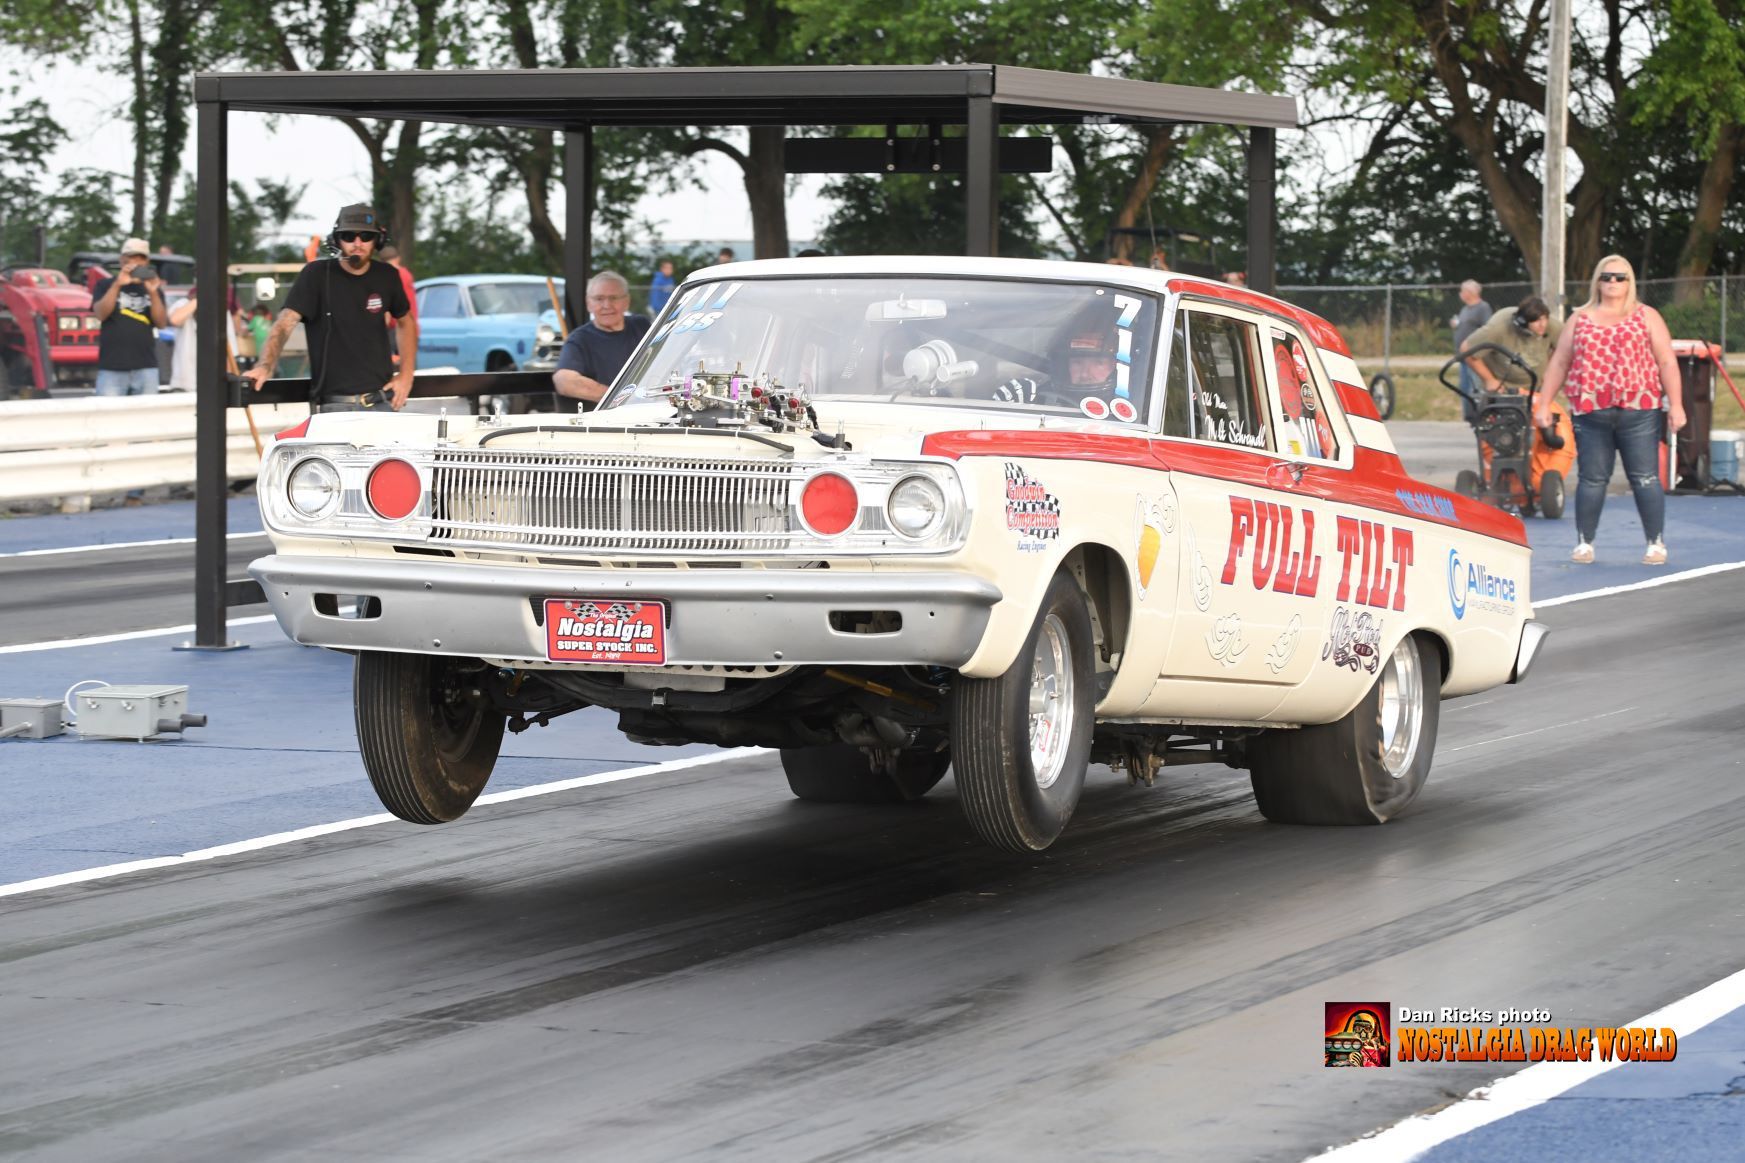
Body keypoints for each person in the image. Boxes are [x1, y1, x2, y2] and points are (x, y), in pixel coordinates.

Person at [1535, 256, 1685, 565]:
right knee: (1592, 479)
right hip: (1590, 412)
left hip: (1639, 409)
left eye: (1620, 277)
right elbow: (1560, 361)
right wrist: (1544, 403)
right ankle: (1584, 543)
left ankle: (1655, 542)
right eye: (1606, 277)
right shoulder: (1580, 318)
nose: (1613, 282)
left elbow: (1667, 362)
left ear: (1630, 282)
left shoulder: (1647, 316)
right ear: (1597, 281)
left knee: (1645, 478)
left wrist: (1677, 404)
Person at [244, 203, 415, 412]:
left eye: (366, 237)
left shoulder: (387, 275)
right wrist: (265, 366)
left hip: (382, 401)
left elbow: (406, 322)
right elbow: (285, 323)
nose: (357, 244)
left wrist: (406, 375)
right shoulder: (315, 275)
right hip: (334, 405)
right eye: (349, 236)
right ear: (336, 240)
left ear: (377, 240)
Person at [552, 271, 650, 410]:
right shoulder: (579, 340)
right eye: (599, 299)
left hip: (655, 410)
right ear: (588, 303)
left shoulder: (642, 326)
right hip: (608, 418)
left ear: (626, 302)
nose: (606, 305)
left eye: (614, 298)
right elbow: (564, 381)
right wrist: (622, 399)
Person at [91, 237, 168, 396]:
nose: (136, 263)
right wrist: (117, 285)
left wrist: (153, 293)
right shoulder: (105, 285)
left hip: (146, 366)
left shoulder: (152, 288)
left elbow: (161, 323)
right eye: (131, 258)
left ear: (147, 262)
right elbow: (100, 314)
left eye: (141, 258)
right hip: (112, 367)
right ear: (122, 260)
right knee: (109, 411)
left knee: (147, 411)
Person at [167, 285, 240, 391]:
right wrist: (199, 300)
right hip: (184, 382)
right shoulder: (184, 304)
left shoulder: (223, 311)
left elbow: (228, 353)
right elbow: (175, 319)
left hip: (212, 384)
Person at [1450, 279, 1493, 420]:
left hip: (1474, 356)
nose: (1460, 294)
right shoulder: (1465, 309)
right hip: (1463, 356)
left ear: (1470, 293)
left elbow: (1487, 329)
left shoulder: (1483, 308)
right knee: (1464, 387)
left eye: (1462, 291)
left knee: (1475, 387)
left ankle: (1478, 415)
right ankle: (1468, 415)